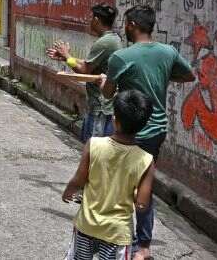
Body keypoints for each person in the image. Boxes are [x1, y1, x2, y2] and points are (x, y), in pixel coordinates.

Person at [100, 5, 195, 260]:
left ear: (131, 24)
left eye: (126, 24)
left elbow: (108, 93)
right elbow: (189, 75)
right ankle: (143, 247)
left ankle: (115, 238)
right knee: (144, 186)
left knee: (117, 184)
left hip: (128, 129)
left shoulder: (121, 57)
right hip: (156, 130)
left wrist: (105, 83)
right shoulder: (168, 52)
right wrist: (160, 75)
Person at [62, 90, 157, 260]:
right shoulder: (146, 160)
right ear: (144, 125)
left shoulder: (94, 145)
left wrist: (69, 190)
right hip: (117, 232)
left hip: (87, 225)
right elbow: (142, 204)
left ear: (115, 119)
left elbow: (80, 178)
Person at [47, 3, 122, 141]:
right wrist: (65, 57)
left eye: (90, 17)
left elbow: (85, 70)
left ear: (97, 20)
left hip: (101, 107)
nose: (89, 21)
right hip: (100, 106)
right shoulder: (112, 39)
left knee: (93, 151)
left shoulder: (105, 42)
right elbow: (90, 64)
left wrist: (68, 56)